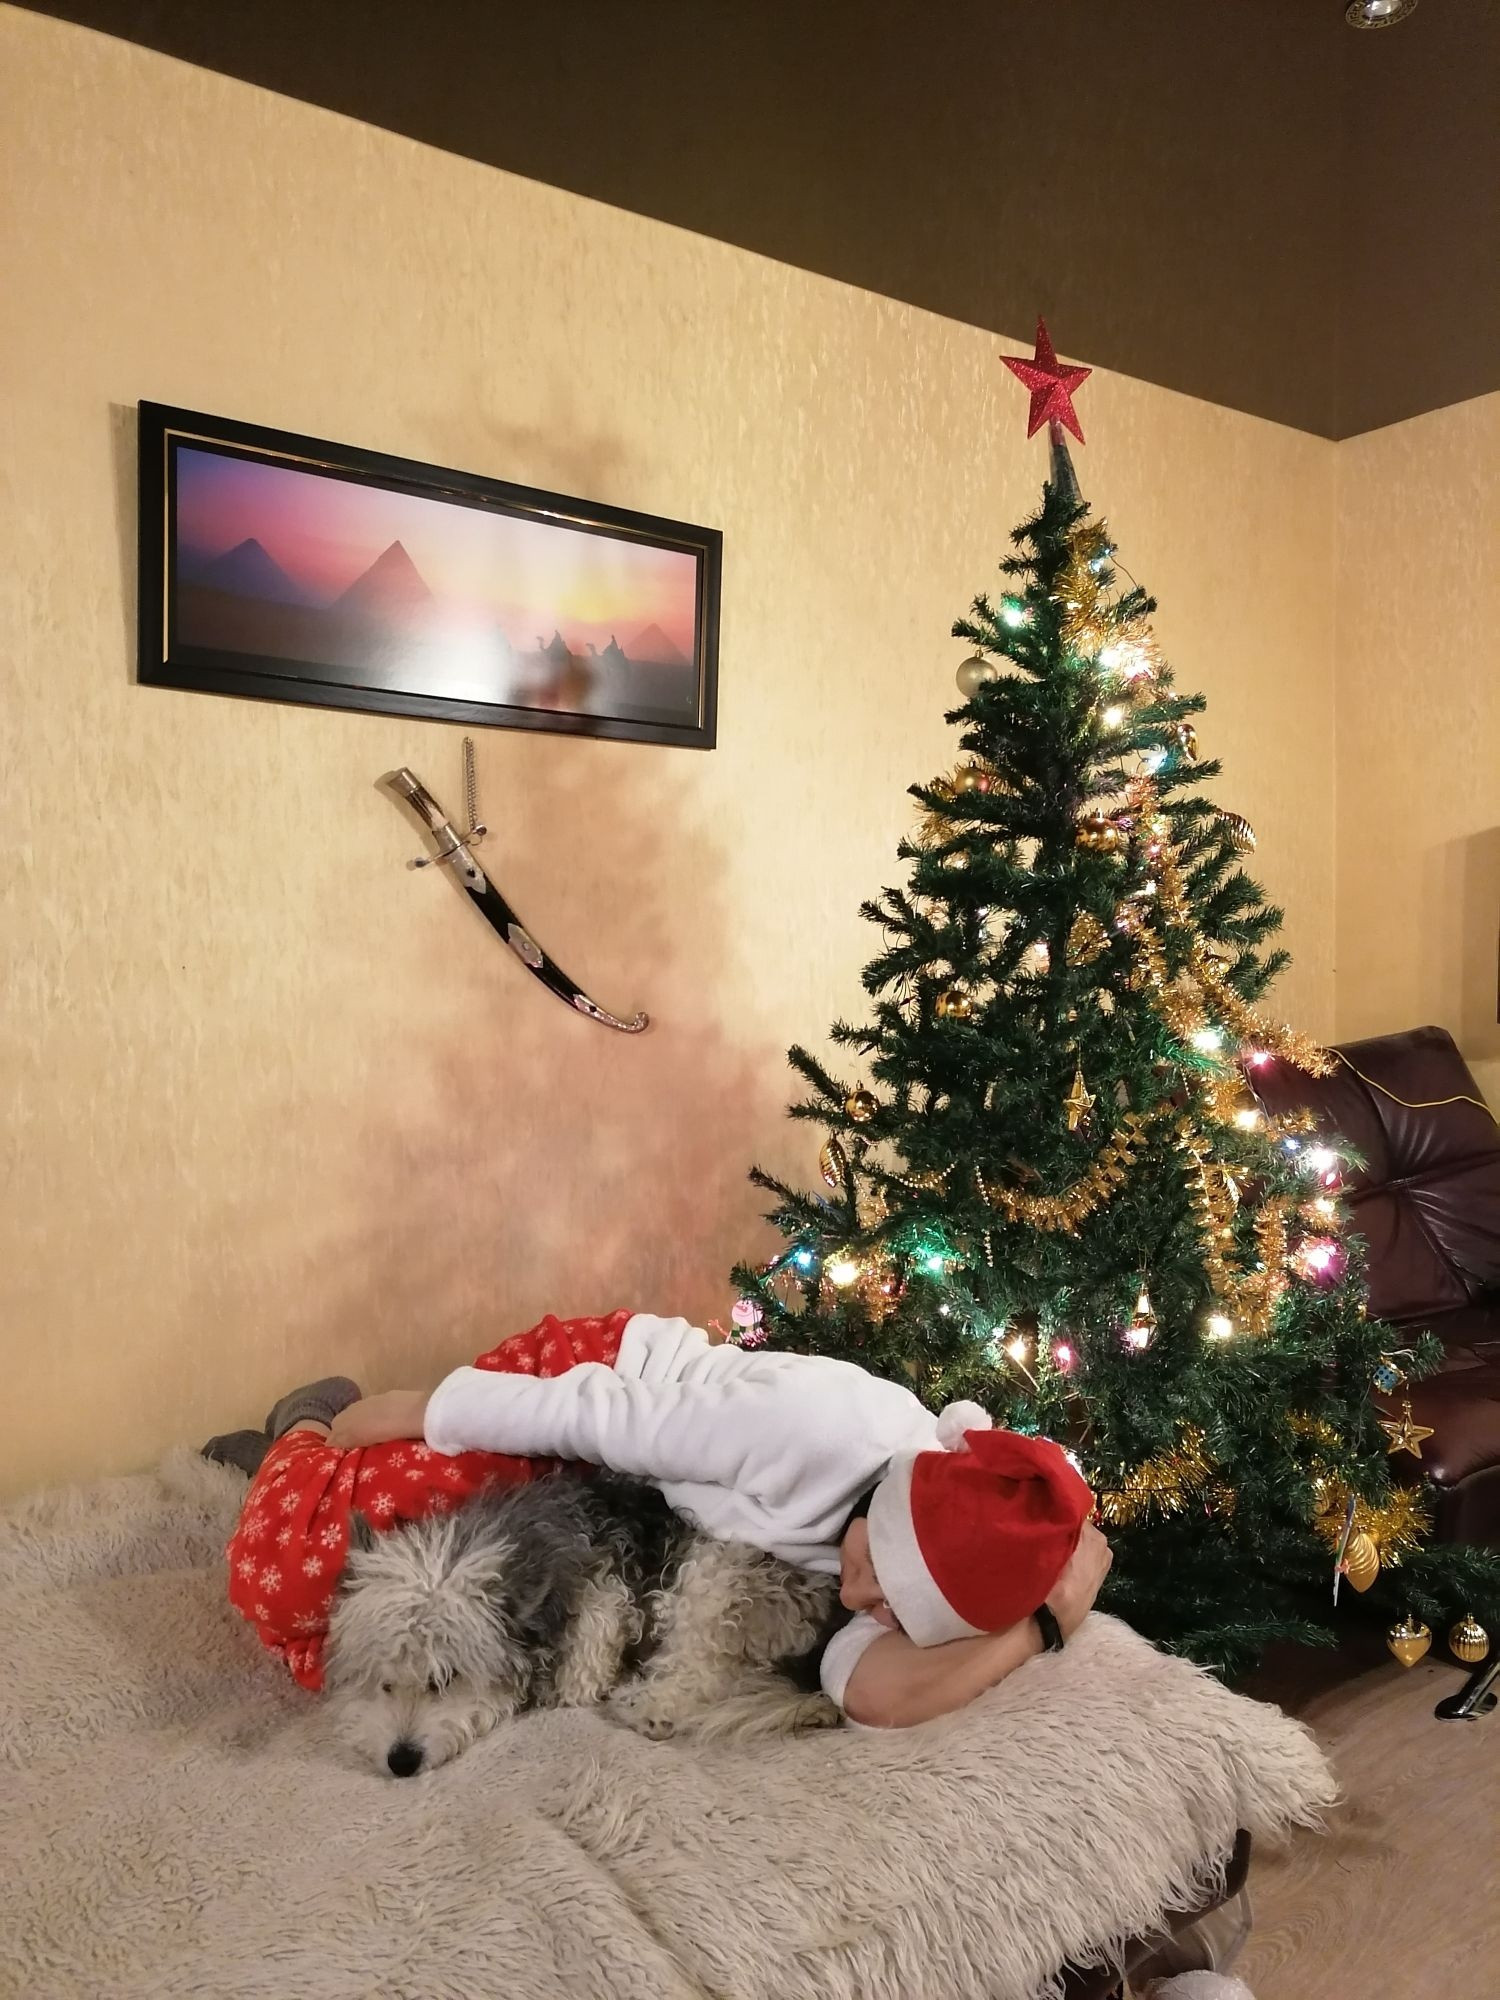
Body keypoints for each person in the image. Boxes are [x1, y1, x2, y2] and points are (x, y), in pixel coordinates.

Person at [326, 1309, 1113, 1728]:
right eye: (875, 1571)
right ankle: (307, 1417)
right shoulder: (812, 1429)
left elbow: (871, 1693)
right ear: (890, 1512)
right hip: (604, 1383)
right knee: (331, 1542)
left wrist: (1043, 1623)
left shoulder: (923, 1564)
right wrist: (430, 1410)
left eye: (888, 1609)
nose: (854, 1600)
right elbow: (599, 1419)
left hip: (626, 1499)